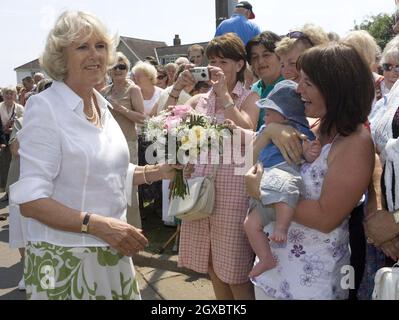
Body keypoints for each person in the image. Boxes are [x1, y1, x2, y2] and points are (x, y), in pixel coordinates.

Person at [9, 10, 183, 300]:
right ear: (61, 56)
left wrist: (159, 171)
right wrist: (99, 225)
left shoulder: (102, 104)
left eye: (100, 46)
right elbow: (31, 201)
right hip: (64, 259)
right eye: (82, 46)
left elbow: (110, 170)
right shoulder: (45, 107)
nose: (95, 54)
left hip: (111, 251)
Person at [245, 43, 375, 299]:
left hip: (311, 282)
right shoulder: (309, 128)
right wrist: (269, 132)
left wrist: (263, 192)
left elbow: (326, 217)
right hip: (273, 273)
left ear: (335, 89)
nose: (297, 88)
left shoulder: (355, 143)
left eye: (308, 83)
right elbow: (246, 164)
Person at [177, 33, 260, 300]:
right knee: (211, 262)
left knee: (235, 270)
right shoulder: (201, 98)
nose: (216, 68)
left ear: (239, 64)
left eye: (222, 61)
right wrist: (178, 87)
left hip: (233, 190)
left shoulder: (250, 96)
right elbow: (164, 117)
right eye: (212, 61)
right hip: (202, 186)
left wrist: (225, 94)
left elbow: (247, 128)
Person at [242, 80, 321, 278]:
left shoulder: (297, 131)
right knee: (249, 224)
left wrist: (311, 151)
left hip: (282, 174)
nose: (265, 117)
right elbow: (246, 160)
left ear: (285, 116)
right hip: (263, 181)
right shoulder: (265, 130)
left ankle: (281, 227)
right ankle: (265, 257)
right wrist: (268, 132)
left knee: (285, 193)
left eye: (269, 113)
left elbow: (307, 154)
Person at [102, 52, 146, 229]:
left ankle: (133, 232)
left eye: (122, 66)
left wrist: (121, 109)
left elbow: (143, 118)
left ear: (127, 69)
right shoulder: (104, 92)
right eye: (114, 66)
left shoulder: (133, 89)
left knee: (129, 189)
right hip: (106, 146)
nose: (118, 70)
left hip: (127, 144)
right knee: (109, 188)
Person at [245, 31, 284, 130]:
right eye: (255, 57)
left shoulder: (290, 88)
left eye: (266, 55)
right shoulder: (253, 90)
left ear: (280, 56)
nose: (260, 61)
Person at [0, 86, 24, 195]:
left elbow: (23, 124)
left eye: (11, 94)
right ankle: (5, 190)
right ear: (3, 95)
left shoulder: (19, 108)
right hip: (3, 139)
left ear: (15, 95)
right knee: (4, 164)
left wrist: (12, 128)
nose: (9, 96)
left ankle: (14, 190)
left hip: (15, 140)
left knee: (15, 165)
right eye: (6, 94)